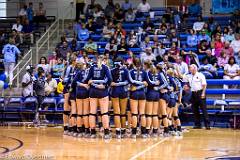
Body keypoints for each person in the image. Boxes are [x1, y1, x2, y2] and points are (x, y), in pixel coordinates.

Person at [85, 55, 112, 139]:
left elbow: (87, 80)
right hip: (102, 91)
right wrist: (105, 85)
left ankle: (92, 133)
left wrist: (93, 83)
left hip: (93, 91)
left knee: (92, 112)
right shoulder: (105, 67)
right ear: (104, 60)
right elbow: (110, 79)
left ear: (97, 60)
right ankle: (106, 133)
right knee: (104, 113)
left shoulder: (92, 67)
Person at [183, 64, 210, 130]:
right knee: (195, 110)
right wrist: (186, 87)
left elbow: (204, 85)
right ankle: (198, 124)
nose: (189, 69)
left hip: (200, 92)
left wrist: (203, 93)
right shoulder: (188, 76)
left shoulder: (200, 75)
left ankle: (207, 125)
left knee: (204, 109)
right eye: (189, 68)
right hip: (193, 93)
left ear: (194, 68)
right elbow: (188, 84)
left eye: (190, 68)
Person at [128, 58, 148, 138]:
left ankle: (134, 133)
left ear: (133, 63)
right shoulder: (144, 72)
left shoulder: (131, 72)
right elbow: (147, 83)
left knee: (134, 114)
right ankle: (143, 133)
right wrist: (140, 86)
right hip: (142, 93)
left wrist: (135, 88)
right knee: (142, 114)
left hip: (134, 94)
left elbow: (129, 84)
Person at [110, 58, 129, 138]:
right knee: (123, 113)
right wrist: (122, 83)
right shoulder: (125, 70)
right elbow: (129, 81)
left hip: (115, 91)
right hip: (123, 91)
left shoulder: (112, 70)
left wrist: (115, 84)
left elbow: (109, 82)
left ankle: (118, 131)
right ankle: (123, 130)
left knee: (116, 112)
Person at [72, 59, 90, 137]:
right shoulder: (89, 72)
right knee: (85, 113)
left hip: (78, 92)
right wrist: (85, 85)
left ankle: (79, 131)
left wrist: (82, 85)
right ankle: (86, 131)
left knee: (79, 113)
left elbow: (74, 82)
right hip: (85, 92)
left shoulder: (78, 72)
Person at [144, 61, 160, 137]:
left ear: (146, 66)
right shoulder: (158, 73)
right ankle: (155, 131)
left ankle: (147, 131)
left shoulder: (147, 73)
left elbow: (148, 83)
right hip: (157, 94)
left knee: (149, 114)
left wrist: (153, 83)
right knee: (155, 114)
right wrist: (158, 85)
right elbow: (163, 82)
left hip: (150, 93)